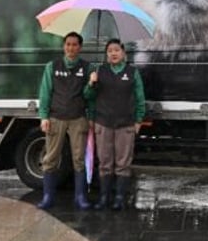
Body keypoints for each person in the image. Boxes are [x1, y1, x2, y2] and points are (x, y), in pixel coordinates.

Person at [37, 31, 95, 210]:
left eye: (75, 44)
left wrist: (91, 84)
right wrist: (44, 116)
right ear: (64, 46)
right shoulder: (52, 66)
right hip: (56, 117)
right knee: (51, 158)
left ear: (80, 47)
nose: (71, 48)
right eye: (68, 44)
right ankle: (48, 197)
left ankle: (80, 197)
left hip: (78, 118)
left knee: (79, 158)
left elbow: (89, 97)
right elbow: (45, 92)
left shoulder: (88, 68)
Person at [87, 38, 146, 211]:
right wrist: (91, 83)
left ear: (123, 53)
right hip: (103, 123)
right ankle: (104, 197)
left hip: (125, 124)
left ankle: (119, 198)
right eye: (110, 50)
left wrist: (138, 120)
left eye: (116, 50)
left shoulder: (132, 72)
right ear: (106, 54)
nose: (113, 53)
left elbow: (140, 98)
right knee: (105, 162)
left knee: (123, 163)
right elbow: (88, 97)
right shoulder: (99, 71)